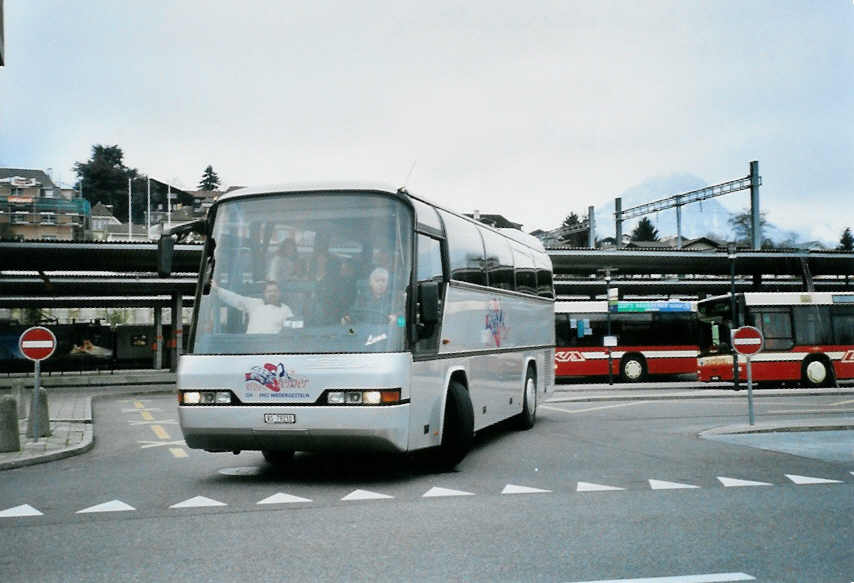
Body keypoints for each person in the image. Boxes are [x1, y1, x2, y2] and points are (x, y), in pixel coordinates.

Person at [211, 279, 295, 334]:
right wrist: (217, 289)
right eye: (269, 291)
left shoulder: (286, 310)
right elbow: (236, 299)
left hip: (272, 347)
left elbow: (290, 329)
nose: (272, 294)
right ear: (264, 293)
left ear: (279, 293)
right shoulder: (254, 304)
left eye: (275, 291)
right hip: (251, 346)